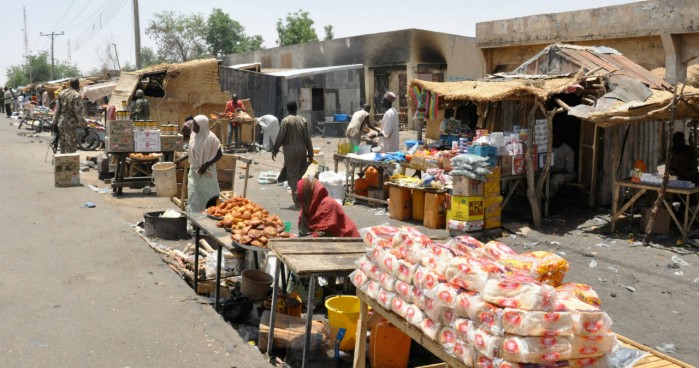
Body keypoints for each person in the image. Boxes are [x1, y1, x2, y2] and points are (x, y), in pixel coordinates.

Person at [174, 115, 223, 212]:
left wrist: (206, 164)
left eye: (196, 125)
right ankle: (194, 219)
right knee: (193, 196)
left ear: (203, 125)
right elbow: (192, 152)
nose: (193, 127)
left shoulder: (211, 138)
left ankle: (211, 216)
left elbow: (220, 154)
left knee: (209, 196)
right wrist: (181, 159)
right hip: (194, 172)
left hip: (207, 173)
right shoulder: (193, 135)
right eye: (193, 125)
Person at [272, 100, 314, 208]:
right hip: (302, 151)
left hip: (291, 152)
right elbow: (307, 138)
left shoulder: (285, 121)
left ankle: (298, 202)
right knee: (301, 176)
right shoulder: (303, 120)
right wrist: (311, 153)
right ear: (297, 108)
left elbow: (280, 136)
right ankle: (304, 199)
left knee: (293, 176)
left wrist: (275, 149)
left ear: (287, 109)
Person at [52, 78, 86, 154]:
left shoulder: (62, 93)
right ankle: (69, 164)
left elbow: (57, 110)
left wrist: (54, 123)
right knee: (71, 146)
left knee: (63, 145)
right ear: (78, 85)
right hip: (70, 124)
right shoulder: (76, 95)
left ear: (70, 84)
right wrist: (84, 125)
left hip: (61, 123)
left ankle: (62, 163)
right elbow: (79, 112)